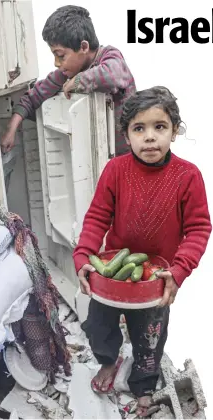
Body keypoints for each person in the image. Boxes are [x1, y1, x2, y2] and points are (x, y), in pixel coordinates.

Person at [72, 86, 212, 416]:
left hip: (156, 279)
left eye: (159, 127)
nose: (149, 138)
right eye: (139, 129)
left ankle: (143, 383)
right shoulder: (115, 171)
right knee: (98, 327)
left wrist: (178, 271)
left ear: (174, 132)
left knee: (150, 336)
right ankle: (109, 361)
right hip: (112, 274)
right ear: (126, 135)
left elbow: (198, 229)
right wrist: (83, 256)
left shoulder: (188, 176)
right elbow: (96, 218)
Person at [1, 5, 136, 157]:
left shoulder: (110, 56)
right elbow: (32, 98)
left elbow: (112, 74)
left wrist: (77, 81)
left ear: (84, 47)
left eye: (61, 55)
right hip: (97, 158)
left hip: (130, 156)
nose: (56, 63)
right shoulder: (66, 73)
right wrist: (10, 130)